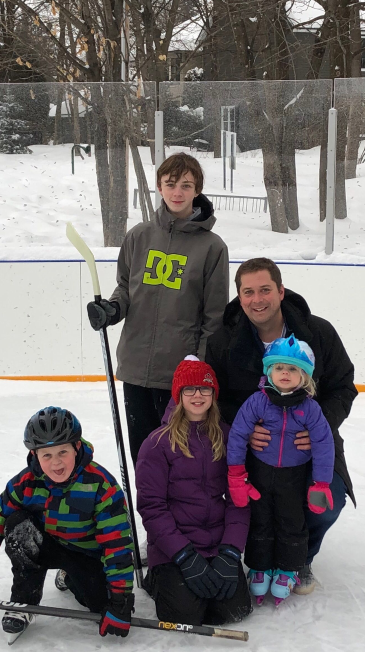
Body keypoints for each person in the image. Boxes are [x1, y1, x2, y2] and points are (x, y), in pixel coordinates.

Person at [205, 257, 357, 595]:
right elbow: (213, 398)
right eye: (249, 292)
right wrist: (239, 428)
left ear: (281, 291)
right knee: (238, 500)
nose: (257, 300)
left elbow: (344, 386)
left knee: (326, 498)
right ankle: (256, 558)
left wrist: (317, 425)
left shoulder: (318, 332)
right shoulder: (222, 342)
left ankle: (300, 557)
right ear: (240, 297)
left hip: (309, 445)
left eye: (264, 290)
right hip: (251, 450)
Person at [0, 406, 135, 641]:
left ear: (77, 447)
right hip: (46, 544)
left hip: (87, 555)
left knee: (99, 604)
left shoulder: (101, 486)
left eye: (63, 452)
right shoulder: (24, 483)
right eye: (46, 455)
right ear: (35, 455)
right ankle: (23, 601)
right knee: (17, 525)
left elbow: (117, 545)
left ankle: (69, 576)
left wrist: (121, 599)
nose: (56, 463)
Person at [86, 152, 230, 463]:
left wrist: (200, 366)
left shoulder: (212, 247)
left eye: (187, 185)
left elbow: (215, 315)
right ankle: (149, 513)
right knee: (144, 458)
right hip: (136, 365)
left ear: (197, 190)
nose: (178, 192)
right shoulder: (139, 235)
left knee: (180, 459)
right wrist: (112, 310)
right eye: (171, 184)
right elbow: (125, 287)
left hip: (180, 373)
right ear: (159, 187)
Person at [135, 356, 252, 626]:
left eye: (205, 389)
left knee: (234, 611)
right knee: (184, 616)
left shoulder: (227, 436)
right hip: (174, 547)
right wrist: (184, 556)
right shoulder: (156, 444)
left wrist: (231, 551)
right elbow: (152, 508)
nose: (197, 395)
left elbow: (239, 498)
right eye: (189, 389)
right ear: (178, 394)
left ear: (213, 393)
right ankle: (158, 578)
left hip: (216, 543)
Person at [226, 336, 335, 606]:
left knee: (290, 521)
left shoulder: (310, 408)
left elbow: (323, 443)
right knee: (260, 517)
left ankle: (288, 569)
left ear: (304, 376)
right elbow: (238, 435)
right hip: (260, 472)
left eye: (293, 369)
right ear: (269, 372)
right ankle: (259, 567)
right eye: (279, 367)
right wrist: (236, 475)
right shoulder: (257, 402)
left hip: (293, 477)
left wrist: (321, 484)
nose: (285, 373)